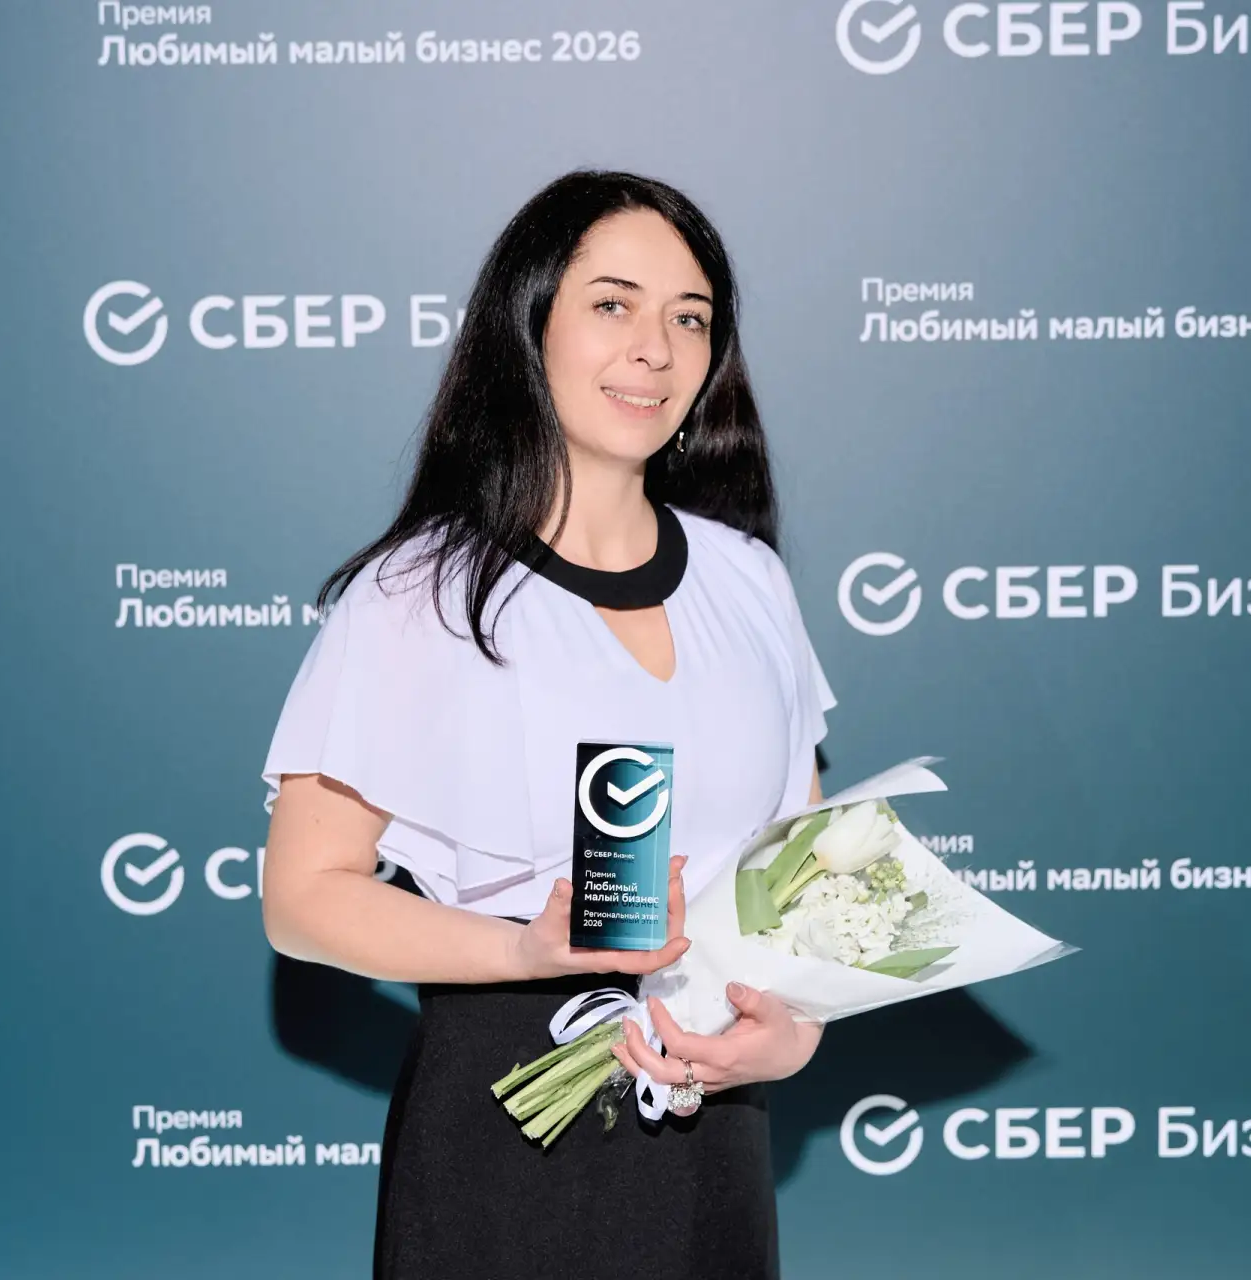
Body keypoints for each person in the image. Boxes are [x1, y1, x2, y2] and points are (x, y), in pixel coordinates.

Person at [259, 170, 838, 1280]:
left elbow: (798, 882)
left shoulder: (750, 580)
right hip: (500, 1139)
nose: (654, 350)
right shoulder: (417, 593)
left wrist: (796, 1033)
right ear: (528, 328)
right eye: (613, 304)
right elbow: (302, 896)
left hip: (714, 1131)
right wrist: (522, 949)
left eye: (690, 319)